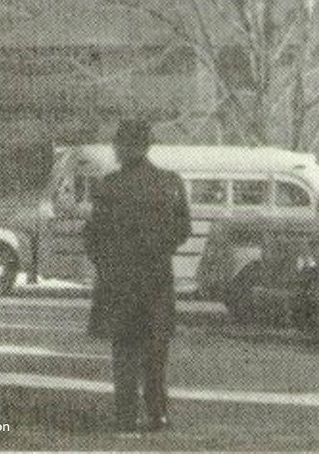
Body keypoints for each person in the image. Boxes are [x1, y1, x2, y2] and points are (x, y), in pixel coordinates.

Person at [83, 121, 191, 434]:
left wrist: (107, 263)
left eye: (118, 144)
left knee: (125, 354)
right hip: (157, 281)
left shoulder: (108, 186)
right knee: (156, 353)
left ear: (128, 147)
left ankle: (126, 418)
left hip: (119, 283)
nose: (115, 149)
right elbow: (184, 229)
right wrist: (158, 250)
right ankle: (157, 415)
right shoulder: (170, 182)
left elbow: (92, 236)